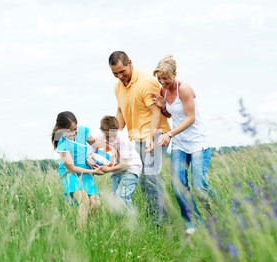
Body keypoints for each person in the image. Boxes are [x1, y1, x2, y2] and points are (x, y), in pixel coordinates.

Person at [151, 54, 219, 234]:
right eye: (159, 78)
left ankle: (219, 214)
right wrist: (163, 106)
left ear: (174, 74)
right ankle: (192, 223)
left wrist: (169, 134)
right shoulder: (163, 91)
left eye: (165, 78)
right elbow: (172, 114)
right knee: (178, 183)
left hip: (197, 142)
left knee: (199, 185)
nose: (162, 82)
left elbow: (190, 118)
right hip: (180, 143)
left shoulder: (185, 88)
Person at [108, 51, 171, 226]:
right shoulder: (118, 86)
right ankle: (154, 219)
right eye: (115, 74)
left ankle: (161, 223)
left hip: (156, 134)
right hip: (136, 137)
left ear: (130, 63)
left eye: (122, 71)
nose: (120, 76)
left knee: (150, 175)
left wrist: (151, 137)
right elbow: (121, 112)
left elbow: (155, 113)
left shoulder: (146, 82)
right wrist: (113, 138)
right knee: (140, 177)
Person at [51, 111, 106, 230]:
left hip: (85, 169)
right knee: (84, 200)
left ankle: (92, 229)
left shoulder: (84, 131)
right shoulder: (62, 143)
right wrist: (94, 172)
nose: (74, 132)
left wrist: (92, 154)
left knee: (96, 203)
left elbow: (96, 144)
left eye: (75, 128)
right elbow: (71, 168)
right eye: (69, 131)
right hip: (70, 173)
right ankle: (82, 234)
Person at [88, 116, 142, 216]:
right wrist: (92, 161)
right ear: (101, 131)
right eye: (108, 136)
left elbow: (124, 164)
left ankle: (131, 221)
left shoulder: (122, 138)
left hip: (130, 168)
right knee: (114, 199)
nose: (112, 138)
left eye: (114, 135)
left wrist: (108, 169)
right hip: (115, 171)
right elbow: (91, 154)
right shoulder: (98, 137)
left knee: (122, 196)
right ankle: (120, 223)